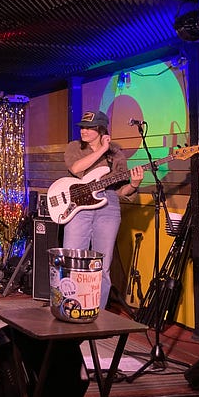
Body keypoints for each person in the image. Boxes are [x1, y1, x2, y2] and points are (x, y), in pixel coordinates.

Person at [62, 110, 144, 311]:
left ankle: (96, 310)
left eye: (89, 128)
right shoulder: (74, 147)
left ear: (101, 129)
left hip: (108, 205)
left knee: (102, 264)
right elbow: (76, 168)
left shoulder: (116, 153)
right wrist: (102, 149)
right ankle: (69, 306)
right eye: (82, 127)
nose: (84, 131)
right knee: (72, 258)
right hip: (79, 205)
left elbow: (122, 190)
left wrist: (134, 184)